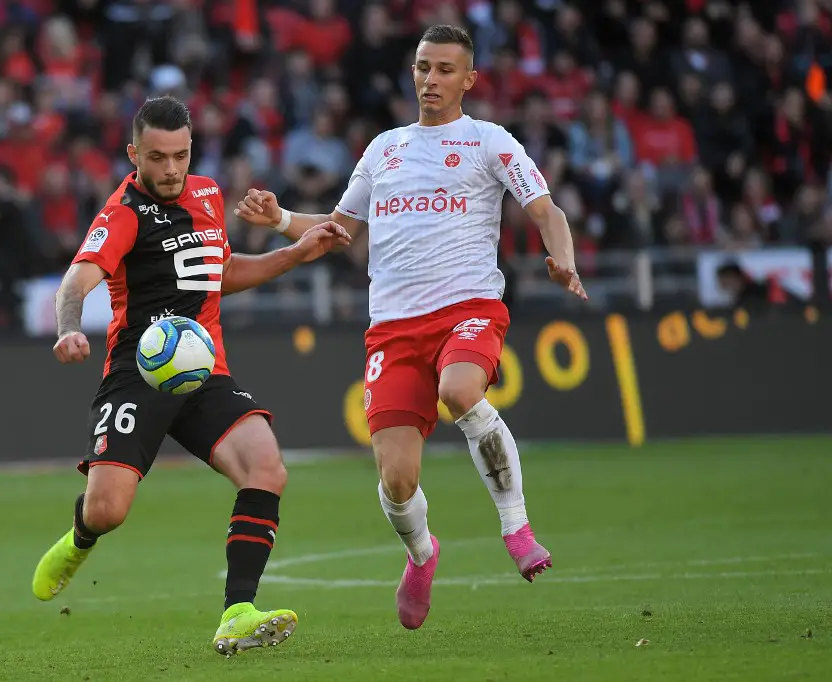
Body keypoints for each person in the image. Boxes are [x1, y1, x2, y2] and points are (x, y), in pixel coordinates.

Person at [235, 25, 587, 631]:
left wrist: (564, 258)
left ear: (469, 80)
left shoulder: (489, 141)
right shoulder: (384, 149)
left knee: (459, 391)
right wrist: (283, 218)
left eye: (445, 69)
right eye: (424, 66)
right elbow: (338, 230)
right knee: (397, 480)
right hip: (393, 328)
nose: (431, 79)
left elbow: (544, 209)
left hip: (467, 307)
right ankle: (422, 556)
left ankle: (516, 526)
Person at [31, 96, 350, 655]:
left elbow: (219, 273)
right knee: (108, 510)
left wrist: (295, 252)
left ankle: (237, 612)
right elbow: (75, 282)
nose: (171, 169)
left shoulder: (207, 194)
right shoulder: (122, 213)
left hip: (203, 369)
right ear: (135, 154)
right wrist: (68, 328)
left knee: (267, 467)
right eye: (157, 158)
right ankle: (81, 536)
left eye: (180, 155)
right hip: (138, 373)